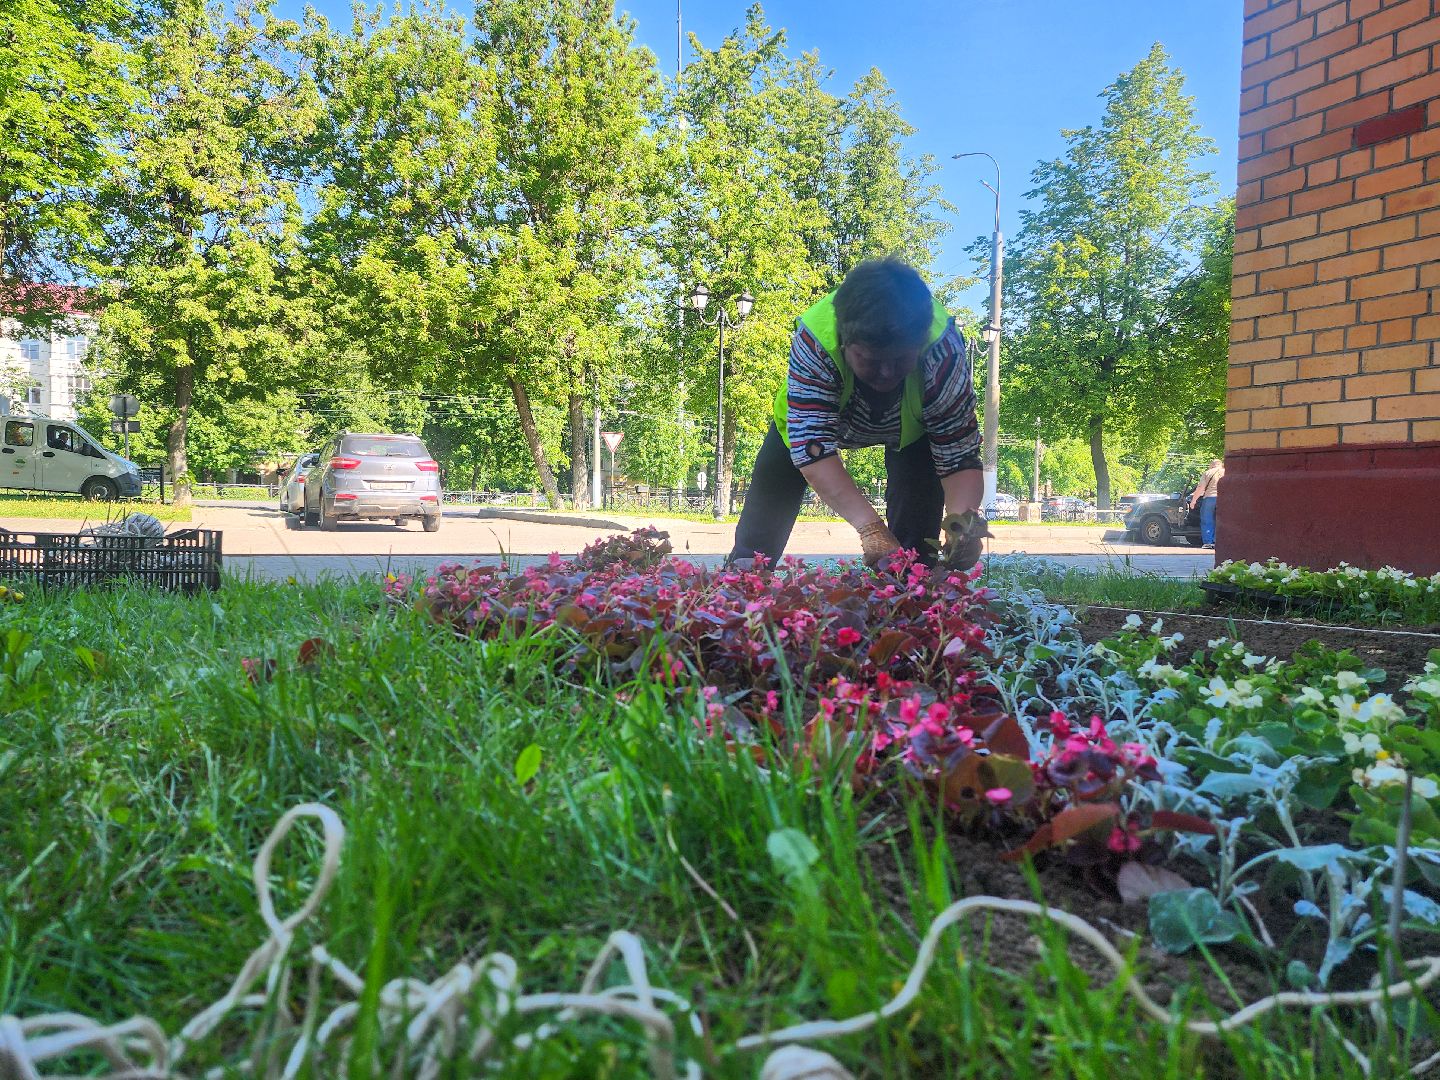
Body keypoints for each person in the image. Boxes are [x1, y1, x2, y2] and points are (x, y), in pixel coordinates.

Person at [729, 257, 983, 569]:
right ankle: (740, 591)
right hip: (808, 425)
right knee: (760, 533)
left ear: (918, 345)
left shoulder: (944, 353)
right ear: (845, 342)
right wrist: (871, 528)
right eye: (870, 360)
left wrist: (963, 523)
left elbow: (959, 455)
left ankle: (911, 605)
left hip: (916, 434)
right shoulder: (816, 340)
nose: (887, 373)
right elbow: (814, 451)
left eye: (901, 359)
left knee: (917, 551)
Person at [1188, 458, 1224, 550]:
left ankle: (1208, 542)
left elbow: (1200, 488)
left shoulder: (1208, 473)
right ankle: (1219, 542)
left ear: (1211, 465)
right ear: (1221, 464)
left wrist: (1193, 501)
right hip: (1224, 499)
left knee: (1207, 520)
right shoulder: (1226, 472)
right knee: (1221, 521)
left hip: (1209, 498)